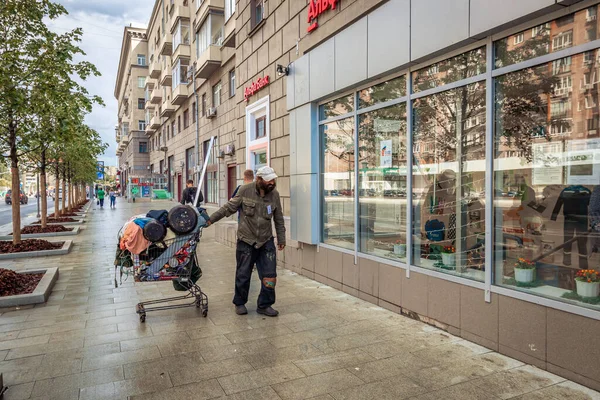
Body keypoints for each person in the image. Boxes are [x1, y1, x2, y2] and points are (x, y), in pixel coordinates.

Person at [205, 166, 285, 317]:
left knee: (270, 276)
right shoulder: (244, 190)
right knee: (243, 274)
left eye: (273, 180)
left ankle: (265, 305)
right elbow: (228, 208)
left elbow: (279, 218)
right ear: (259, 179)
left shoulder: (274, 194)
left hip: (266, 241)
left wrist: (281, 238)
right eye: (269, 180)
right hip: (246, 240)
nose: (272, 183)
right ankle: (240, 303)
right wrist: (210, 220)